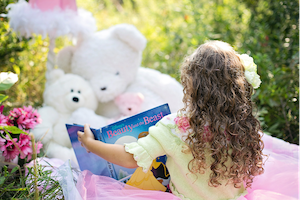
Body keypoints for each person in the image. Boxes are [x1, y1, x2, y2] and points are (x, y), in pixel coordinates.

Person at [77, 41, 297, 200]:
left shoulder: (176, 128)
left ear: (191, 85)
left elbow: (129, 158)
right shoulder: (242, 123)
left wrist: (91, 144)